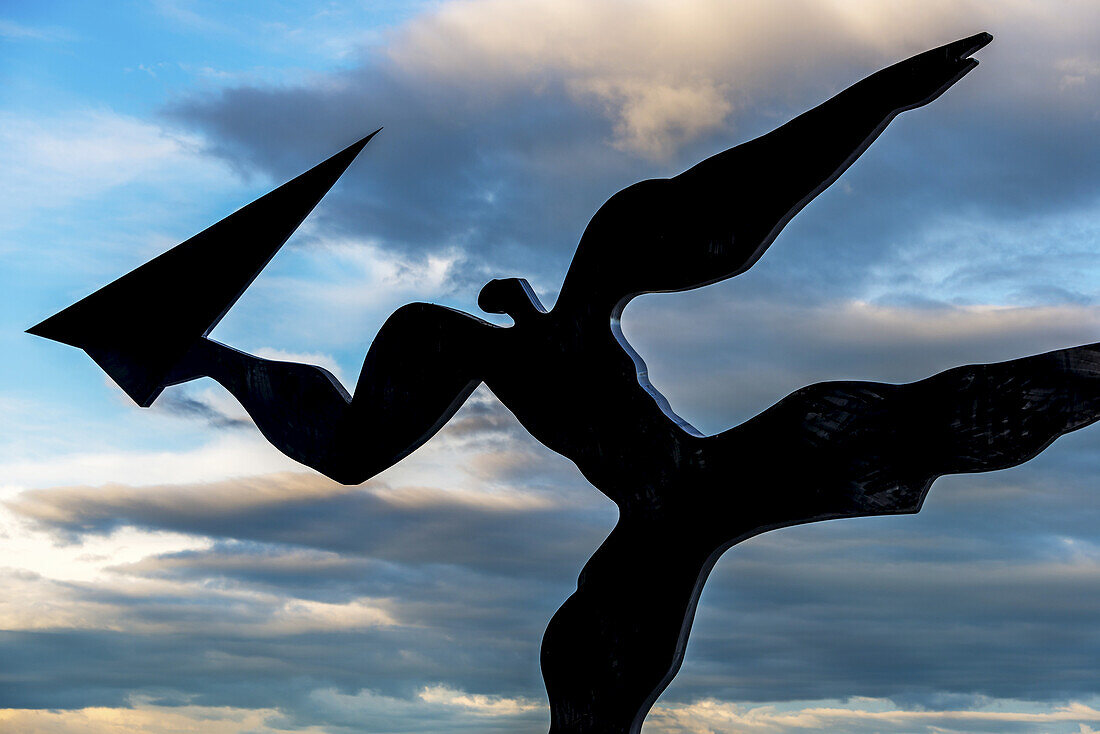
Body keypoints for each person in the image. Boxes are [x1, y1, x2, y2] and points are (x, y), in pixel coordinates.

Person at [34, 32, 1100, 734]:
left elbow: (734, 204)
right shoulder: (461, 346)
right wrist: (207, 361)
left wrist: (877, 100)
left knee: (925, 416)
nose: (508, 298)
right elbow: (347, 445)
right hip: (666, 508)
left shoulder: (587, 285)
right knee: (602, 671)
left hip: (694, 480)